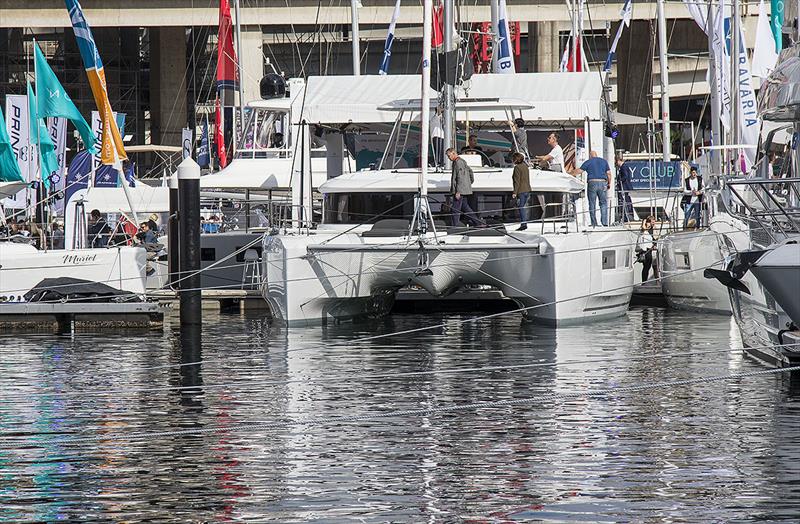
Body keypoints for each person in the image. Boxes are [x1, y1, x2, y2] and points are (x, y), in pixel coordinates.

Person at [572, 150, 611, 227]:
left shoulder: (589, 162)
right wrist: (609, 183)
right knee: (603, 203)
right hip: (602, 182)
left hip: (592, 182)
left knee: (592, 203)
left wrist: (569, 173)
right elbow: (609, 173)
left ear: (590, 156)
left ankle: (594, 223)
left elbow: (579, 171)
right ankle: (604, 223)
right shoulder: (604, 161)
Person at [446, 148, 480, 227]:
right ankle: (478, 223)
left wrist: (458, 191)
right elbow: (470, 172)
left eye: (449, 156)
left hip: (459, 191)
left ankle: (455, 226)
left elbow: (460, 177)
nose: (448, 158)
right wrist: (469, 183)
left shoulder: (458, 162)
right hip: (463, 189)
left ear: (454, 153)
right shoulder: (461, 161)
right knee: (466, 208)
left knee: (455, 209)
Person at [511, 152, 532, 231]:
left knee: (521, 207)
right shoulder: (525, 166)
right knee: (523, 206)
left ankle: (523, 224)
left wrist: (514, 192)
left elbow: (517, 181)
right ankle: (524, 223)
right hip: (527, 190)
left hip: (521, 191)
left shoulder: (517, 168)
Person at [615, 154, 635, 222]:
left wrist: (620, 181)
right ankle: (626, 216)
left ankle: (627, 217)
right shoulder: (624, 167)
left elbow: (625, 176)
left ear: (618, 161)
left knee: (625, 201)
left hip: (624, 187)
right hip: (624, 187)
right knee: (625, 201)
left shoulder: (624, 167)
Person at [636, 216, 656, 282]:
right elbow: (644, 228)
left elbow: (654, 238)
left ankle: (645, 281)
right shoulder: (643, 229)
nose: (653, 223)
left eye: (653, 222)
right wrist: (644, 221)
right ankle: (644, 281)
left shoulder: (651, 229)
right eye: (651, 222)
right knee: (646, 266)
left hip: (649, 249)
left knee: (648, 266)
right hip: (644, 250)